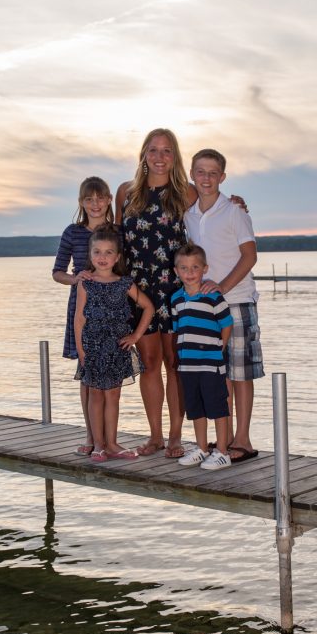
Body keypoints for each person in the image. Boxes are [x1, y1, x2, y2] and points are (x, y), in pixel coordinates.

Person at [184, 148, 264, 463]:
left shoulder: (234, 211)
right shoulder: (189, 215)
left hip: (237, 300)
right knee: (220, 374)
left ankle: (243, 440)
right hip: (207, 307)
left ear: (223, 177)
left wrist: (224, 286)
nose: (206, 178)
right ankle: (223, 441)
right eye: (200, 172)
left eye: (213, 173)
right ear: (192, 174)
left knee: (241, 373)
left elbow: (250, 255)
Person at [115, 129, 191, 458]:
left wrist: (235, 202)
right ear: (144, 154)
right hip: (138, 290)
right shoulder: (126, 192)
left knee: (175, 362)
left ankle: (175, 436)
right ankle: (155, 436)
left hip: (174, 288)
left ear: (175, 157)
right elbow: (114, 239)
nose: (160, 157)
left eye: (167, 151)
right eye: (154, 150)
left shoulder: (186, 192)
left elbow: (212, 210)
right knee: (148, 363)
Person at [74, 225, 154, 463]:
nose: (102, 257)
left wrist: (135, 337)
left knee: (113, 396)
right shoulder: (85, 283)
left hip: (117, 348)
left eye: (108, 252)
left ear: (117, 257)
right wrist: (80, 350)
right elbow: (79, 319)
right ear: (90, 255)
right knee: (95, 395)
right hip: (93, 347)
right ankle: (98, 445)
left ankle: (112, 443)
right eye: (97, 252)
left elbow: (148, 307)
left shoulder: (124, 283)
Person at [52, 177, 114, 455]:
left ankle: (107, 439)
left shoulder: (116, 231)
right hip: (82, 306)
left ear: (109, 200)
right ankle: (91, 437)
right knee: (87, 370)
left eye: (100, 198)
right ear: (81, 202)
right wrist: (75, 279)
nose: (95, 204)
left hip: (112, 306)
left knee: (110, 373)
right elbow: (57, 272)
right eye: (89, 199)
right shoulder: (72, 232)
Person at [171, 244, 233, 470]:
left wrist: (220, 347)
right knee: (195, 407)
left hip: (210, 363)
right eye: (184, 268)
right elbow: (178, 328)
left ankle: (223, 452)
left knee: (217, 406)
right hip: (188, 364)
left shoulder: (213, 296)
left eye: (195, 267)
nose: (189, 272)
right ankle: (202, 448)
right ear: (176, 271)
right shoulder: (176, 299)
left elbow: (227, 324)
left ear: (204, 269)